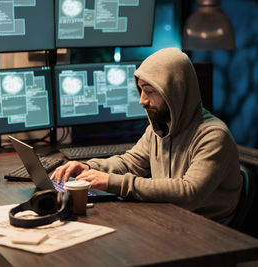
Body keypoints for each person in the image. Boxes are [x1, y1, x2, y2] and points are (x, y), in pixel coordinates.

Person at [51, 47, 242, 225]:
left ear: (175, 92)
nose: (142, 100)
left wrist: (111, 182)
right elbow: (130, 162)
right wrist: (89, 167)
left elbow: (188, 193)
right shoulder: (158, 128)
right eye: (141, 90)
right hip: (170, 219)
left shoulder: (214, 135)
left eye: (150, 91)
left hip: (206, 229)